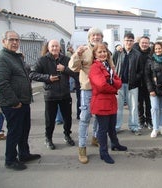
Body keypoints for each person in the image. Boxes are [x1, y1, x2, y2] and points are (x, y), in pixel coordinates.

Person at [0, 30, 41, 170]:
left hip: (23, 101)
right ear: (4, 42)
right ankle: (10, 160)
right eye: (11, 40)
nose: (14, 42)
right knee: (14, 132)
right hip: (13, 104)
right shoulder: (1, 58)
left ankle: (24, 154)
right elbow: (2, 84)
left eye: (17, 40)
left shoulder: (16, 57)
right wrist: (15, 102)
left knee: (24, 130)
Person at [68, 28, 110, 164]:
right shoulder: (83, 50)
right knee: (85, 118)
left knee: (100, 116)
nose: (96, 37)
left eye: (98, 35)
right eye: (93, 35)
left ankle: (96, 138)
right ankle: (82, 148)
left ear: (102, 37)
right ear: (89, 37)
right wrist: (77, 54)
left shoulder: (106, 50)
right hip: (88, 89)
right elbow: (73, 67)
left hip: (102, 90)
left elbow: (112, 68)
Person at [30, 39, 75, 150]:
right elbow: (32, 74)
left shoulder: (66, 59)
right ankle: (48, 138)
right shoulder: (43, 60)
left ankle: (67, 135)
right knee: (50, 120)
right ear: (48, 48)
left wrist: (65, 69)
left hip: (65, 94)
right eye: (52, 46)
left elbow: (75, 73)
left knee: (67, 118)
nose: (55, 48)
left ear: (60, 48)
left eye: (56, 46)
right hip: (50, 95)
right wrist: (47, 78)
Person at [89, 43, 127, 164]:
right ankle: (103, 153)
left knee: (112, 127)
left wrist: (114, 85)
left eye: (104, 51)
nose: (103, 54)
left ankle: (115, 144)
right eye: (100, 52)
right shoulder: (95, 67)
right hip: (101, 103)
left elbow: (118, 81)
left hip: (110, 102)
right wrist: (114, 89)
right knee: (103, 129)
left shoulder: (108, 66)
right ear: (95, 54)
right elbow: (101, 85)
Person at [113, 32, 143, 135]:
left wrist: (135, 79)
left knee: (133, 107)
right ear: (123, 41)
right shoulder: (118, 52)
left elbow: (140, 71)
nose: (129, 42)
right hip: (119, 84)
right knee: (118, 107)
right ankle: (116, 127)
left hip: (132, 85)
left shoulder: (137, 54)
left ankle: (134, 126)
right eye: (127, 40)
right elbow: (112, 65)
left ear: (133, 41)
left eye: (131, 40)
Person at [145, 42, 162, 138]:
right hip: (154, 88)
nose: (158, 50)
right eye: (156, 49)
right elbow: (147, 76)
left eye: (159, 48)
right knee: (155, 108)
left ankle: (160, 126)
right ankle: (155, 128)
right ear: (153, 50)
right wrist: (150, 89)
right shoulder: (150, 60)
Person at [133, 36, 153, 129]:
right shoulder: (135, 53)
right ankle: (141, 121)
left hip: (150, 83)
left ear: (149, 44)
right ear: (139, 43)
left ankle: (149, 120)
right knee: (139, 104)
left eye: (146, 43)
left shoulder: (152, 53)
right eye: (143, 43)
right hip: (138, 83)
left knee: (149, 103)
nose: (144, 44)